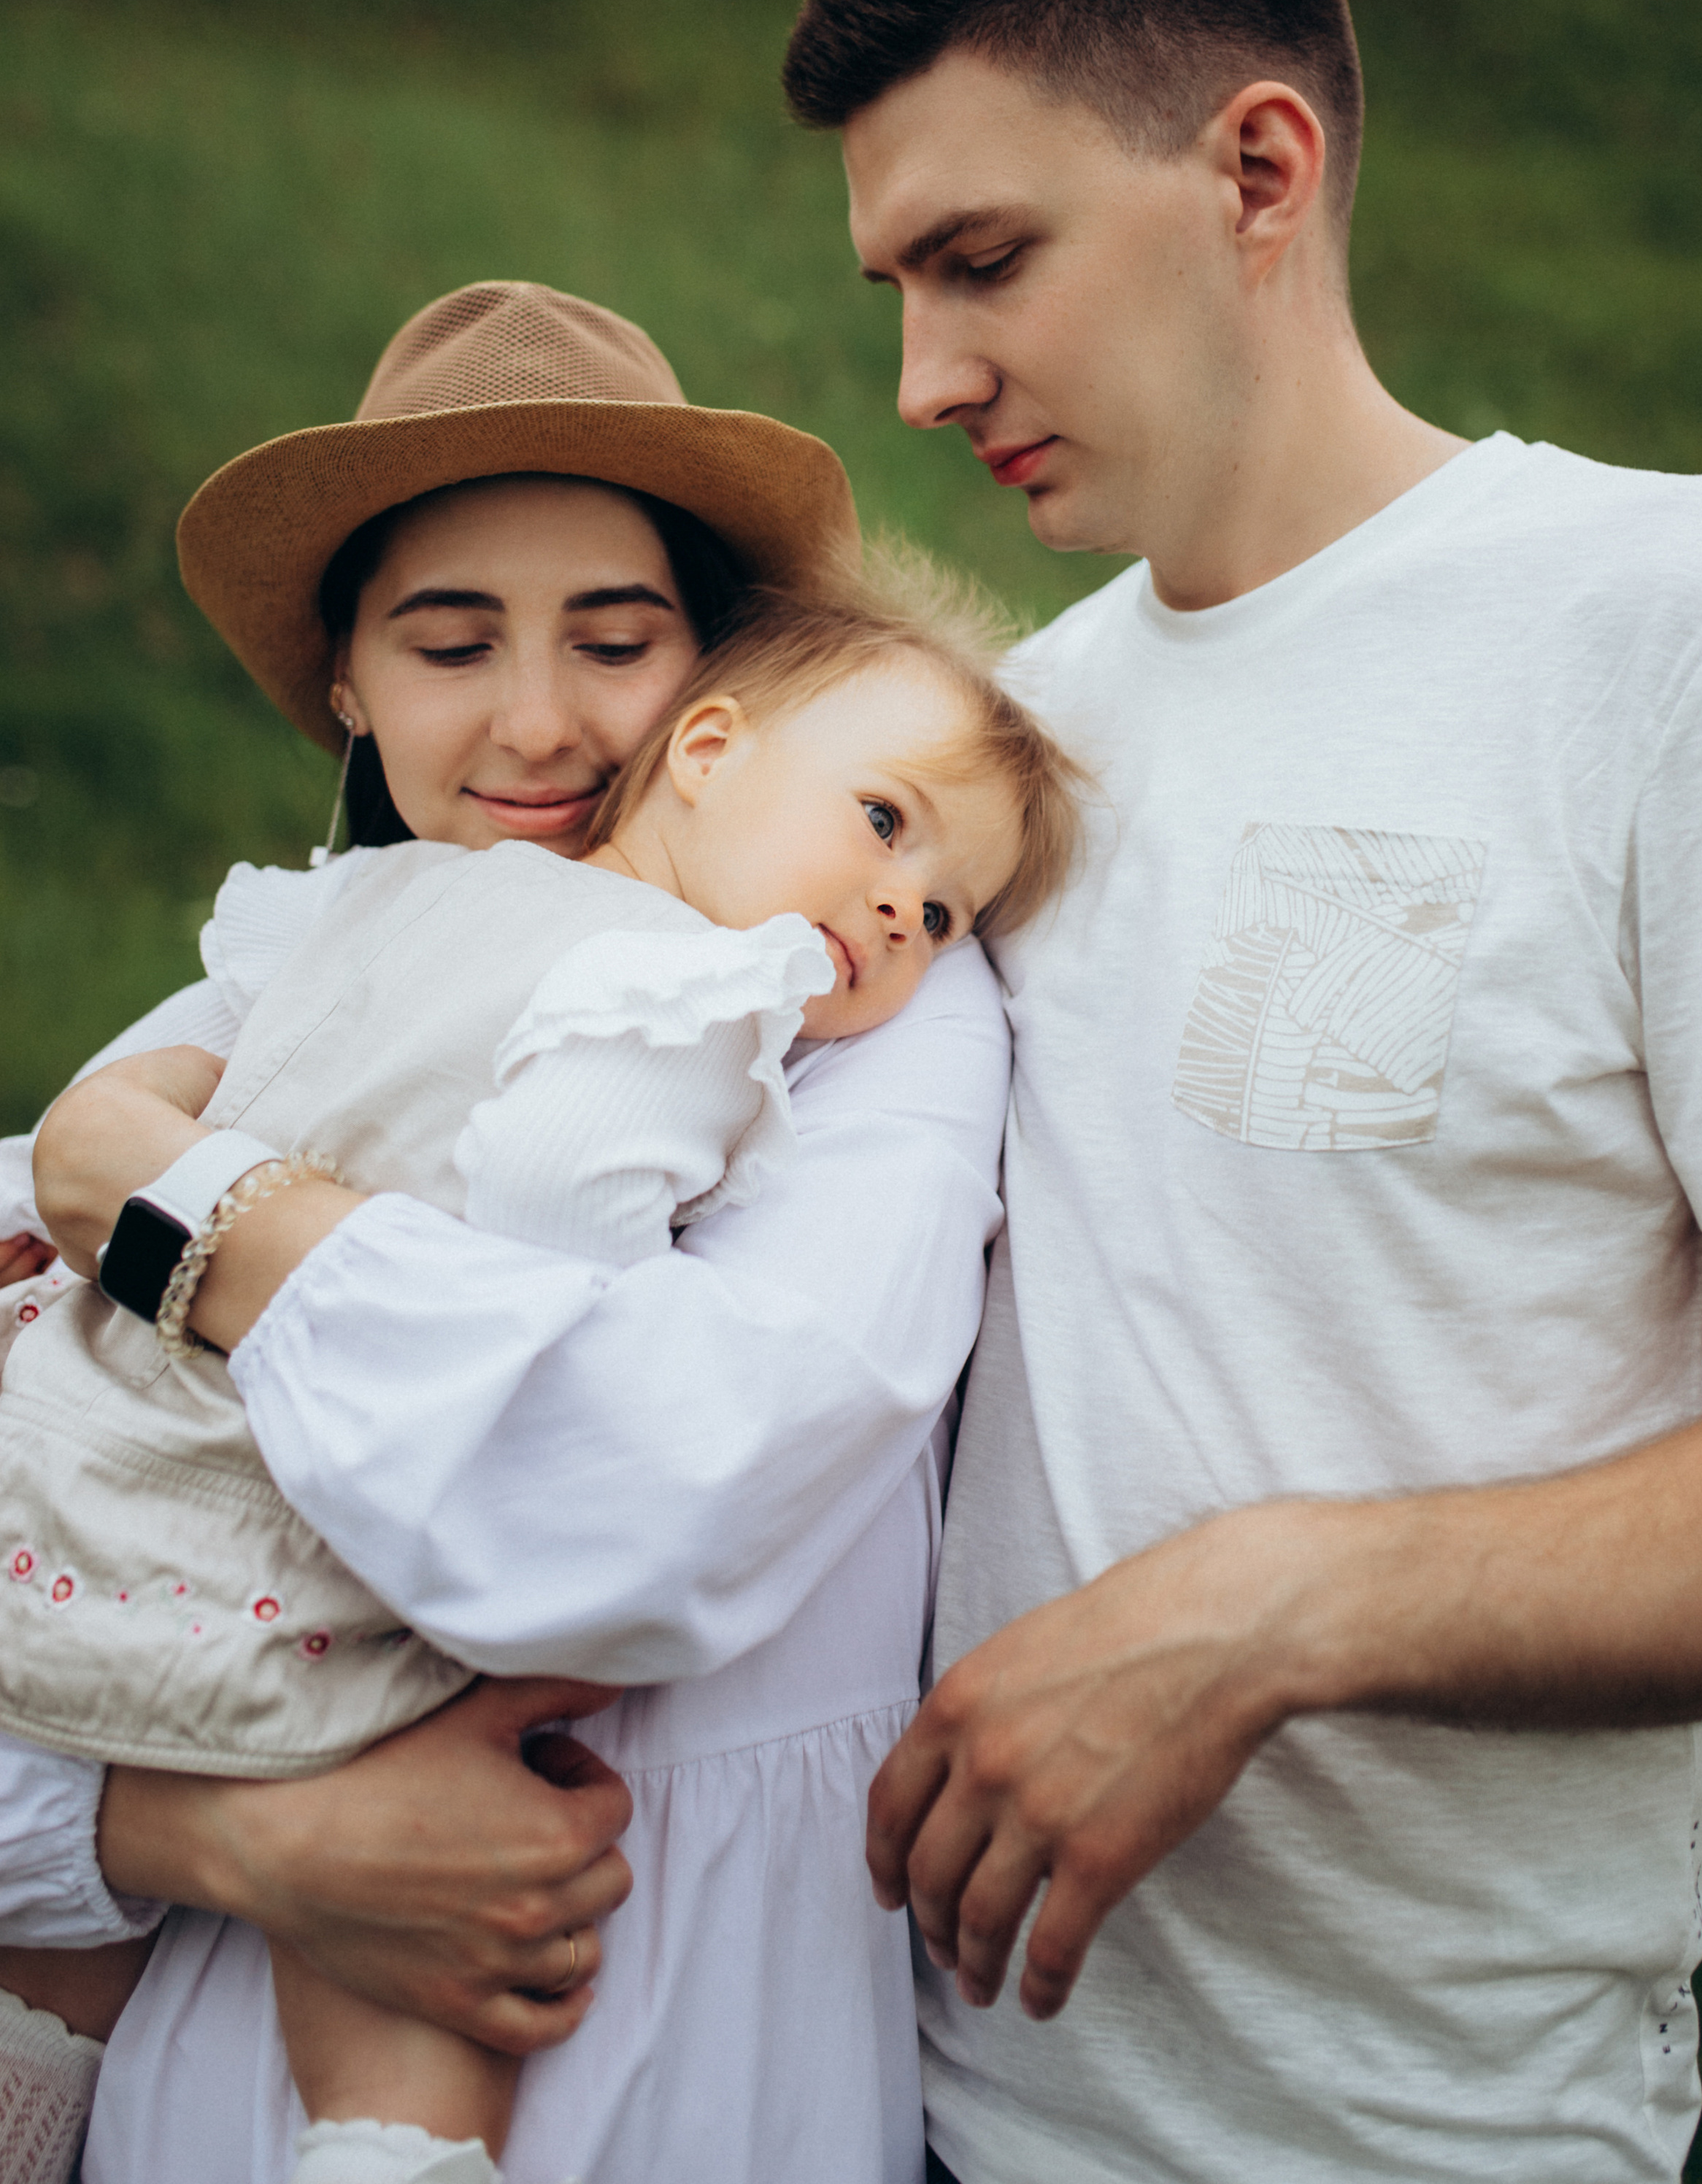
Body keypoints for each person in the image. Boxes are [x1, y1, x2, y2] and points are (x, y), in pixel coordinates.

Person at [777, 0, 1702, 2183]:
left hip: (1424, 2140)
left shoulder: (1692, 633)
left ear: (1258, 170)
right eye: (896, 293)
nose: (927, 382)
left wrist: (1275, 1611)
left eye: (983, 258)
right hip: (915, 2104)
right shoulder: (1006, 747)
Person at [0, 280, 1018, 2184]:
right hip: (196, 2063)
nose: (538, 723)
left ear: (716, 693)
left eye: (614, 642)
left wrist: (165, 1203)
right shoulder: (330, 934)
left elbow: (640, 1476)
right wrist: (210, 1838)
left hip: (660, 2044)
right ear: (349, 691)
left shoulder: (831, 994)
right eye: (450, 645)